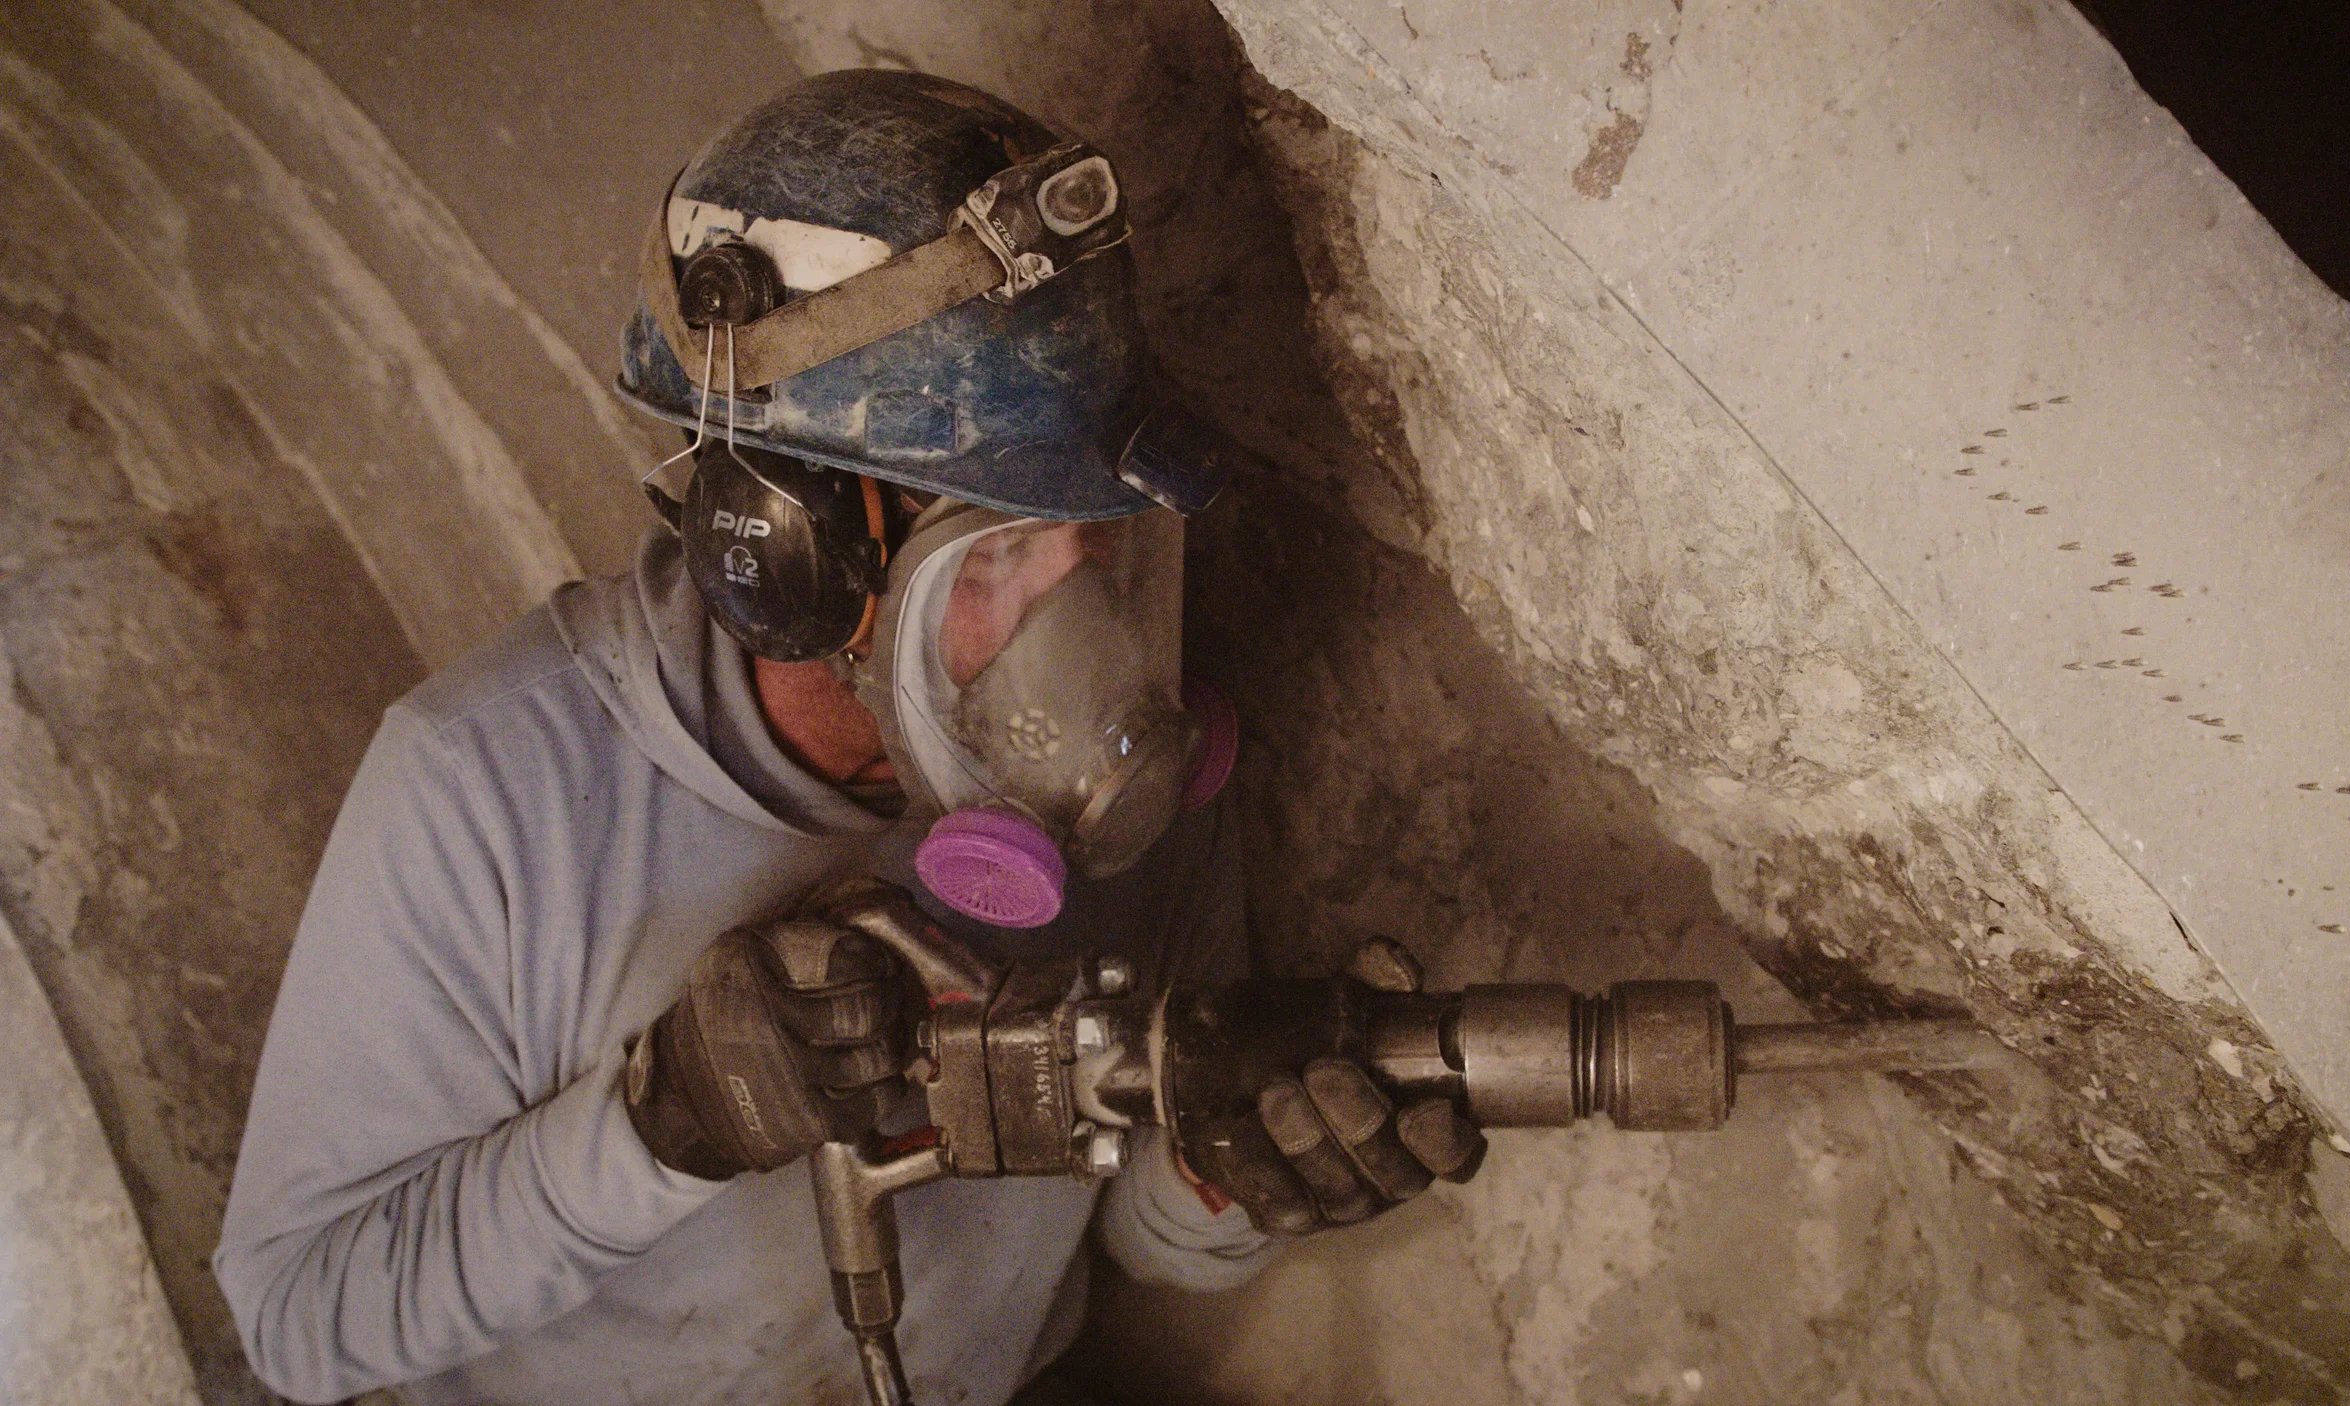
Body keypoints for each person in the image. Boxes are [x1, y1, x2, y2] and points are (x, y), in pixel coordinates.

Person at [214, 70, 1479, 1406]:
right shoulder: (483, 787)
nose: (1082, 628)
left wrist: (1230, 1168)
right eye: (996, 556)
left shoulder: (1125, 775)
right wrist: (663, 1124)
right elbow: (301, 1319)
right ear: (787, 557)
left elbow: (1131, 1239)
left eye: (1098, 544)